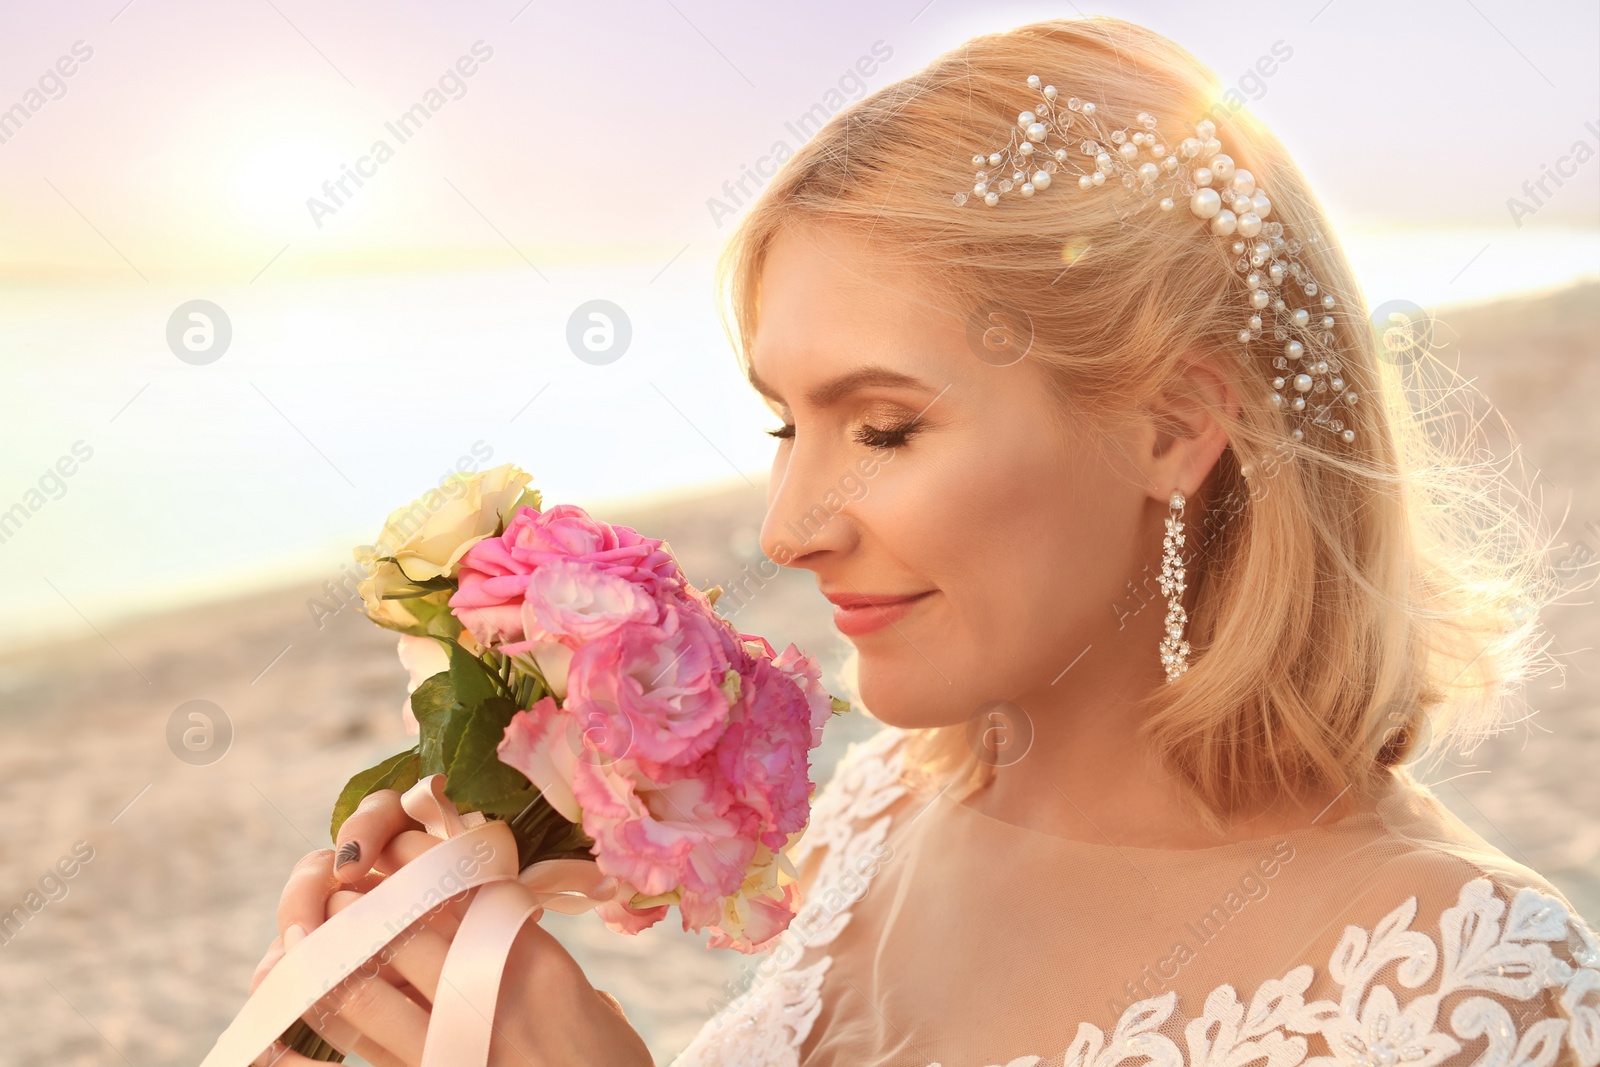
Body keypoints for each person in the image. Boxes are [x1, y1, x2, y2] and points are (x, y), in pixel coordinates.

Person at [250, 16, 1599, 1067]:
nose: (791, 528)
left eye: (885, 428)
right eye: (789, 425)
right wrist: (426, 968)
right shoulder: (884, 810)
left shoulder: (1460, 985)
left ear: (1174, 427)